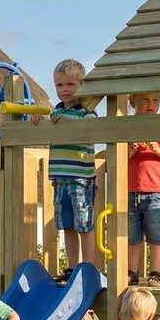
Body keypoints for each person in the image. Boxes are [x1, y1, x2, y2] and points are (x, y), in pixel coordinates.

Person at [32, 58, 97, 278]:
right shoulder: (56, 112)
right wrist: (37, 119)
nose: (64, 89)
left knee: (84, 224)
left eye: (70, 84)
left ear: (81, 85)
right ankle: (72, 266)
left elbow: (90, 129)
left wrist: (66, 122)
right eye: (59, 85)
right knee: (67, 225)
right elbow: (45, 125)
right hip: (60, 178)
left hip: (80, 178)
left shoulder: (86, 112)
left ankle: (87, 268)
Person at [125, 91, 160, 287]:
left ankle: (156, 272)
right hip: (130, 190)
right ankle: (132, 272)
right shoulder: (127, 126)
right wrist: (129, 150)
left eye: (155, 100)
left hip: (154, 192)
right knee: (132, 235)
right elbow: (118, 154)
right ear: (133, 102)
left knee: (156, 234)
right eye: (145, 100)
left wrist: (157, 148)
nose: (151, 104)